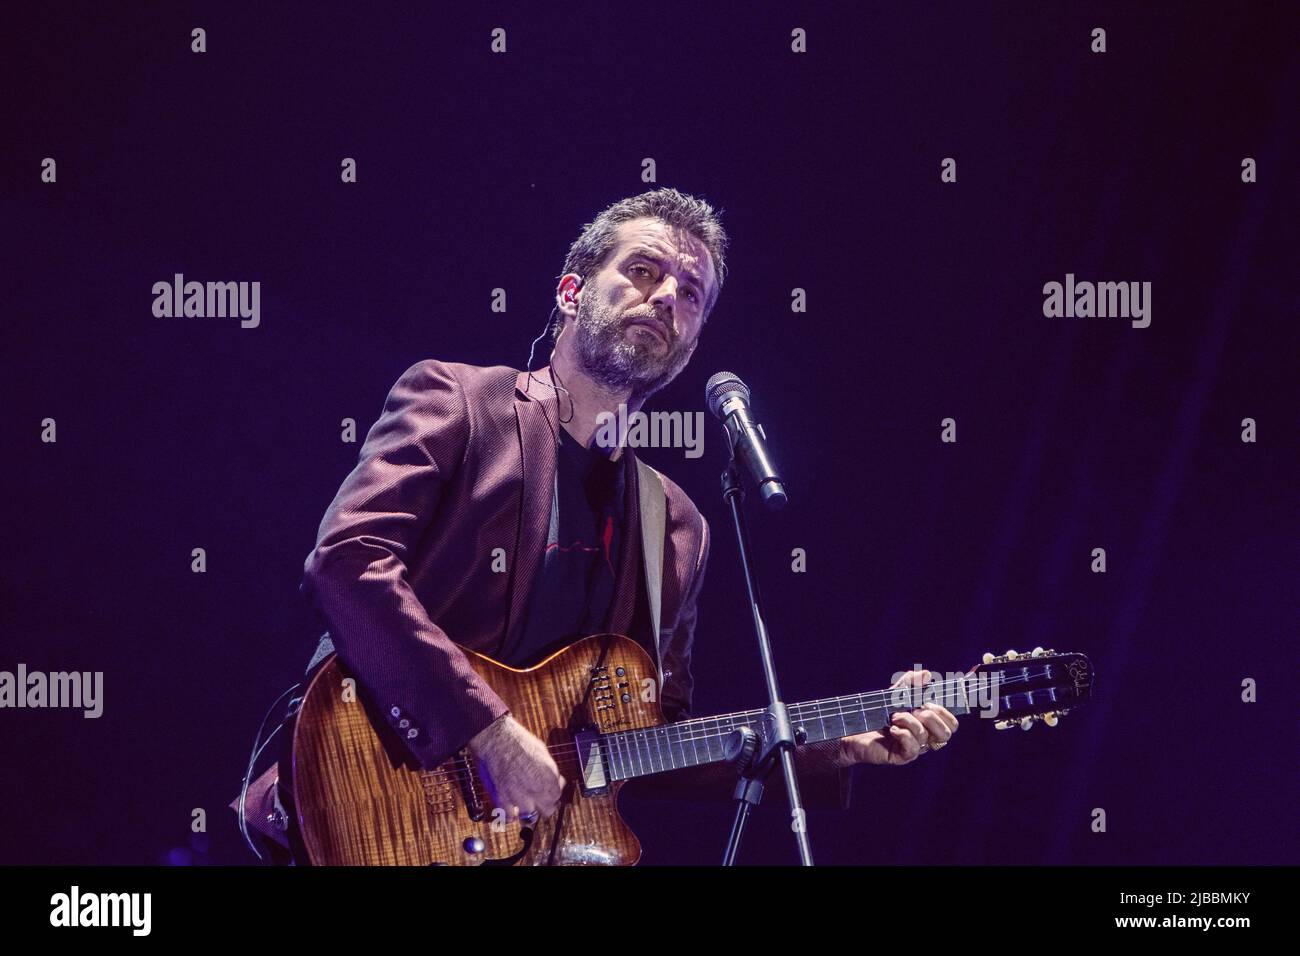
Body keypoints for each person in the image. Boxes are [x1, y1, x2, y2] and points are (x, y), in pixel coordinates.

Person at [229, 187, 957, 863]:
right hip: (364, 793)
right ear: (571, 291)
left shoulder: (676, 525)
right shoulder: (457, 401)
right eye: (643, 270)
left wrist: (834, 746)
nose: (667, 295)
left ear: (693, 345)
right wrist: (488, 730)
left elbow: (647, 741)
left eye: (691, 293)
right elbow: (348, 563)